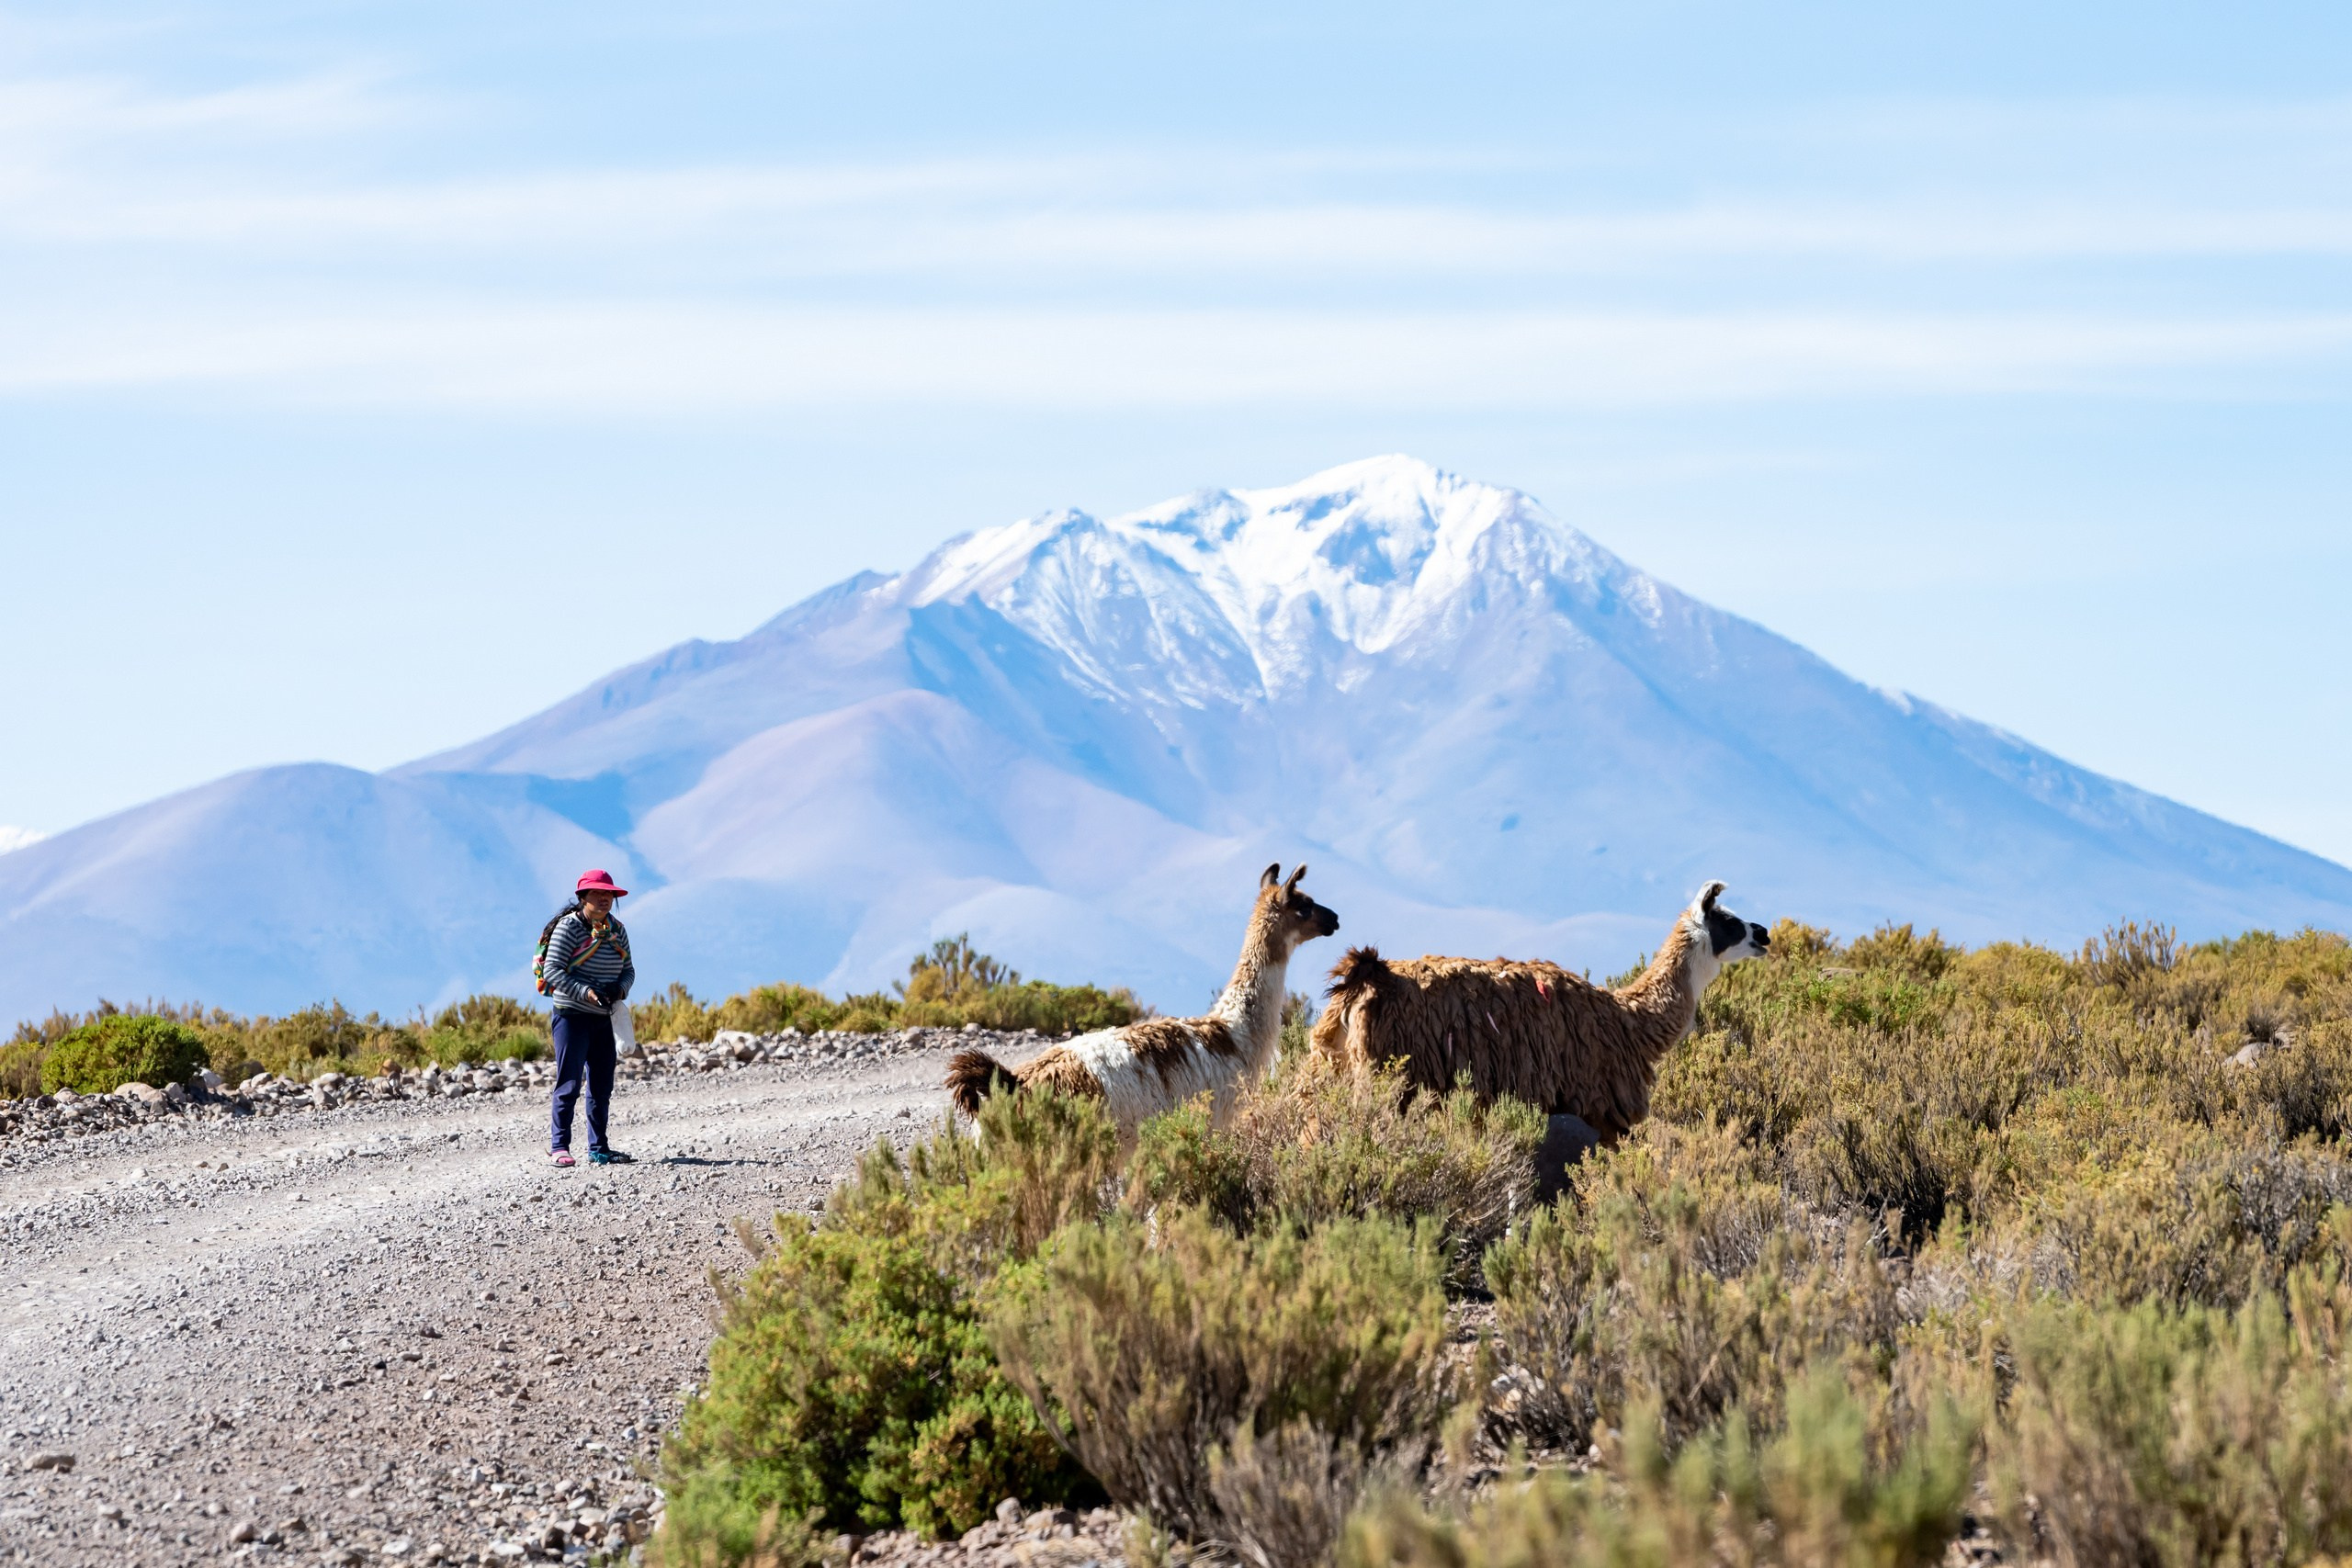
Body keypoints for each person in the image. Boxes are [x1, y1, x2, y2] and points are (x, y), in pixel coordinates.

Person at [542, 869, 637, 1168]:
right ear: (583, 897)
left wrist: (619, 989)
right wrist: (586, 992)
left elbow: (629, 970)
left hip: (604, 1018)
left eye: (608, 894)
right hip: (572, 1016)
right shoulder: (569, 928)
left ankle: (599, 1148)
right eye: (598, 894)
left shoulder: (617, 930)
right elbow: (553, 971)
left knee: (601, 1085)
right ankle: (560, 1147)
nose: (604, 899)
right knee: (568, 1083)